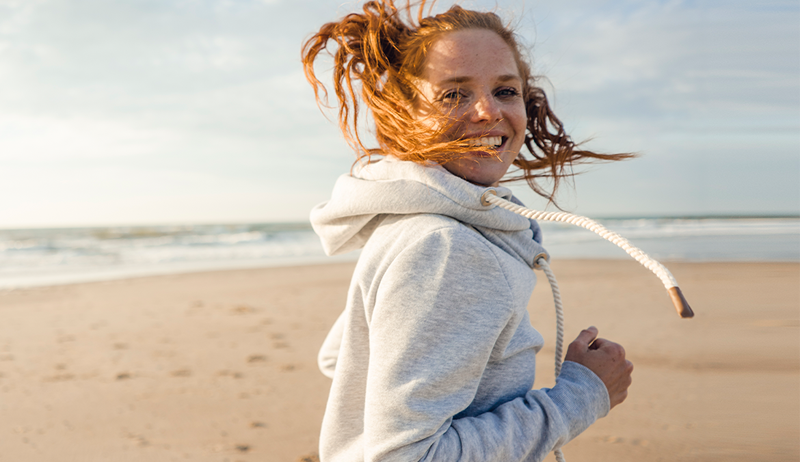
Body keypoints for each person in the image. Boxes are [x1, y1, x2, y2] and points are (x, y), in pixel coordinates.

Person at [302, 1, 634, 461]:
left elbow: (342, 360)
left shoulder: (412, 223)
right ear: (407, 112)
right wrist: (582, 394)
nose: (486, 112)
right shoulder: (446, 246)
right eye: (454, 94)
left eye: (505, 90)